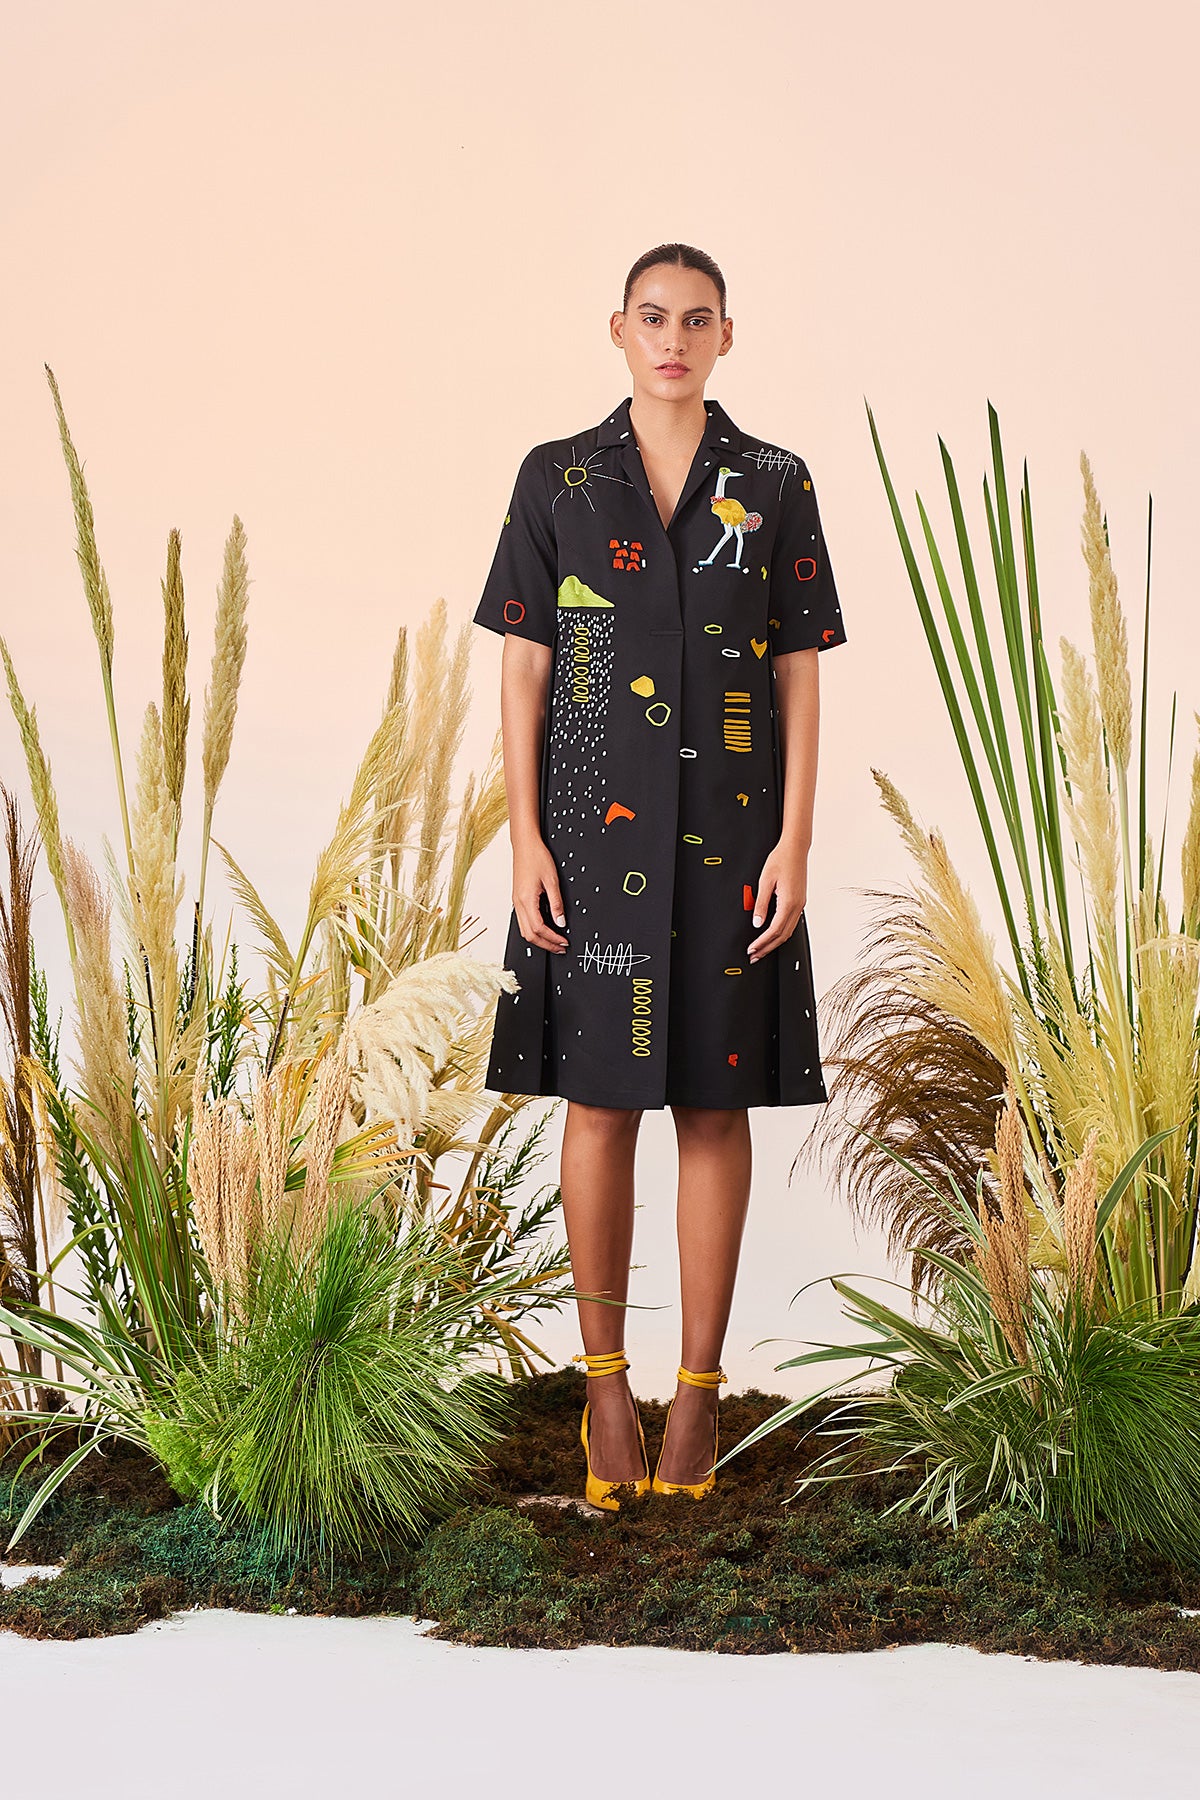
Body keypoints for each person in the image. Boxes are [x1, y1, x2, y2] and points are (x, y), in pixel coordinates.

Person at [472, 242, 847, 1509]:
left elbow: (798, 671)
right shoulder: (558, 478)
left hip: (736, 837)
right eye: (653, 318)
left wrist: (795, 841)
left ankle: (696, 1399)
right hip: (591, 838)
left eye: (696, 320)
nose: (673, 340)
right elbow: (524, 666)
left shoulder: (776, 482)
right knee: (597, 1105)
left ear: (727, 335)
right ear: (618, 331)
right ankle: (601, 1395)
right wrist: (526, 838)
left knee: (714, 1106)